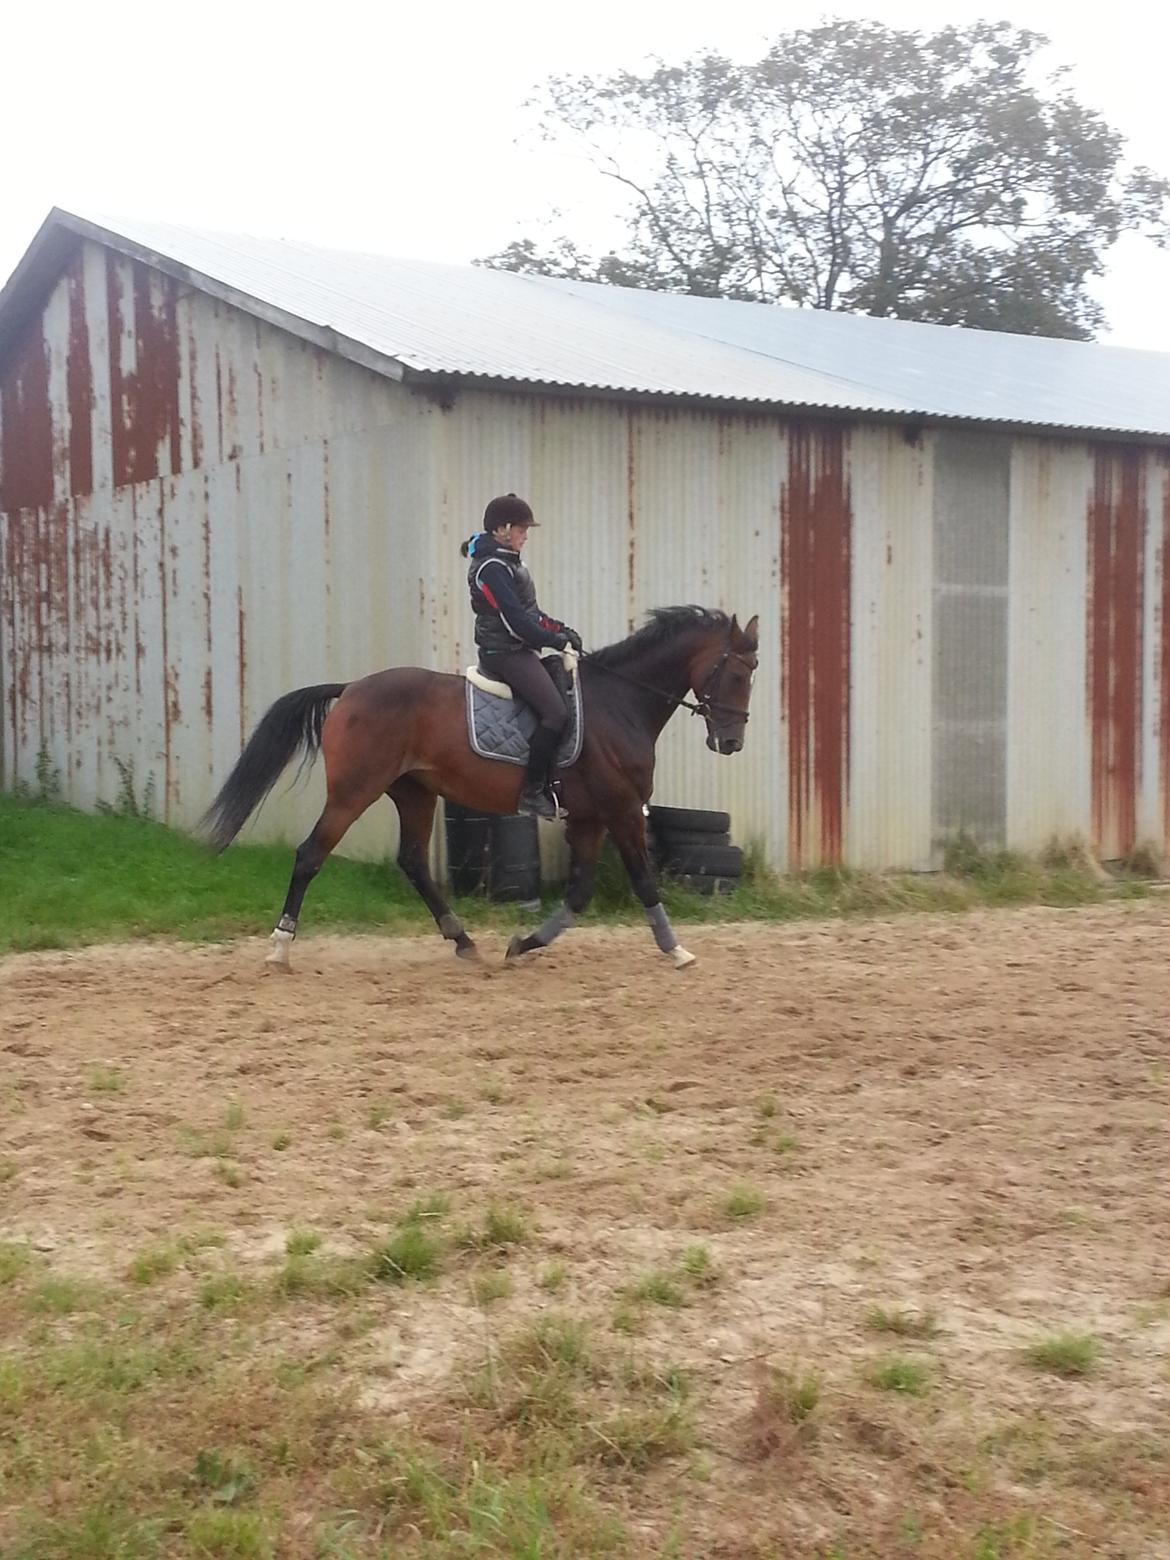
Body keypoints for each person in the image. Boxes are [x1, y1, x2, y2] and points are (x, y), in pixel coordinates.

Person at [461, 494, 583, 820]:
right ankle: (532, 792)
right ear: (502, 529)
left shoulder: (511, 562)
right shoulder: (491, 569)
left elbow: (532, 613)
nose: (525, 536)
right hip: (504, 652)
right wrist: (551, 640)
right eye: (522, 529)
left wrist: (562, 629)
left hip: (520, 648)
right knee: (556, 714)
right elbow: (515, 621)